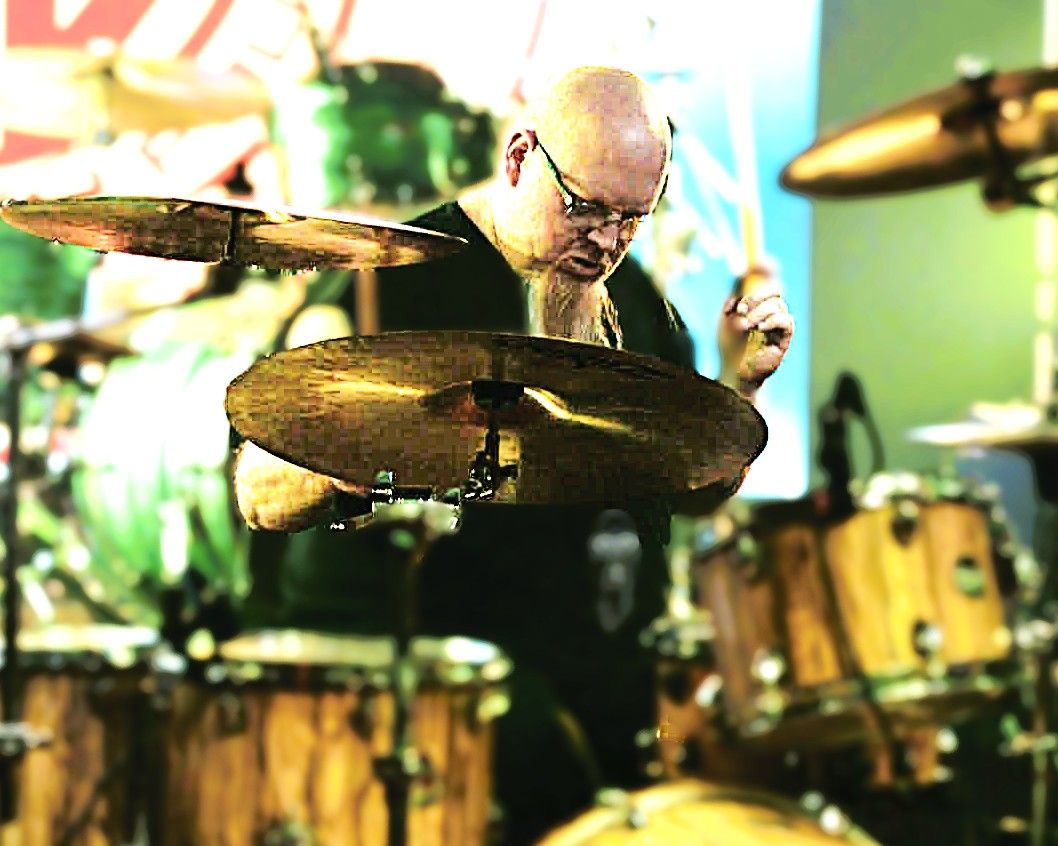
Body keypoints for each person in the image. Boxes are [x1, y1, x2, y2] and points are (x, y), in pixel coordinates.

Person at [233, 65, 792, 844]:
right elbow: (257, 493)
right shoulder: (391, 285)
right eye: (585, 208)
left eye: (632, 218)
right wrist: (359, 448)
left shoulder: (637, 307)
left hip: (593, 669)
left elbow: (691, 490)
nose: (606, 241)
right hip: (428, 675)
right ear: (520, 157)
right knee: (541, 757)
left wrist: (741, 387)